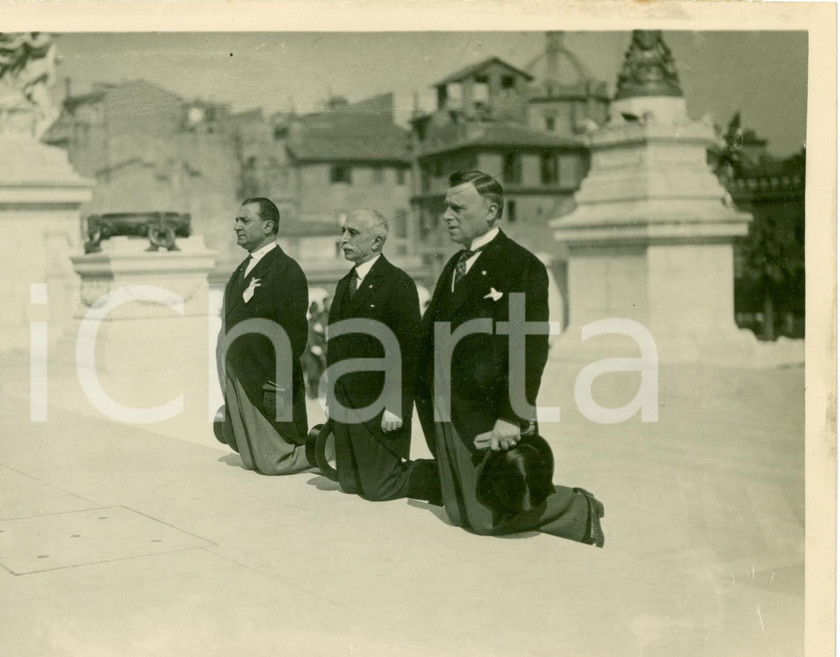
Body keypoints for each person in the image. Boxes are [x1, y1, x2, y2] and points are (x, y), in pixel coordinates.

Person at [416, 170, 604, 544]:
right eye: (445, 207)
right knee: (461, 514)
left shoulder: (522, 266)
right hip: (448, 406)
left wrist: (512, 417)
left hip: (489, 411)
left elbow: (530, 348)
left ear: (490, 211)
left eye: (457, 207)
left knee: (490, 518)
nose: (446, 216)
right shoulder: (454, 266)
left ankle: (578, 507)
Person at [323, 208, 439, 502]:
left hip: (379, 406)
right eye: (343, 232)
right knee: (348, 484)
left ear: (376, 241)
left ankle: (446, 475)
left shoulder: (398, 283)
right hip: (347, 403)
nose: (344, 239)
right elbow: (335, 347)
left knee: (379, 489)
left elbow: (409, 350)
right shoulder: (342, 285)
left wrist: (396, 405)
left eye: (353, 233)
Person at [218, 197, 311, 475]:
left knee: (274, 462)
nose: (236, 226)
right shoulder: (242, 270)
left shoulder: (286, 269)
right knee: (251, 460)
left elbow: (294, 334)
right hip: (240, 374)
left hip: (265, 377)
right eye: (237, 220)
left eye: (244, 220)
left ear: (268, 226)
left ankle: (327, 450)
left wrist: (277, 383)